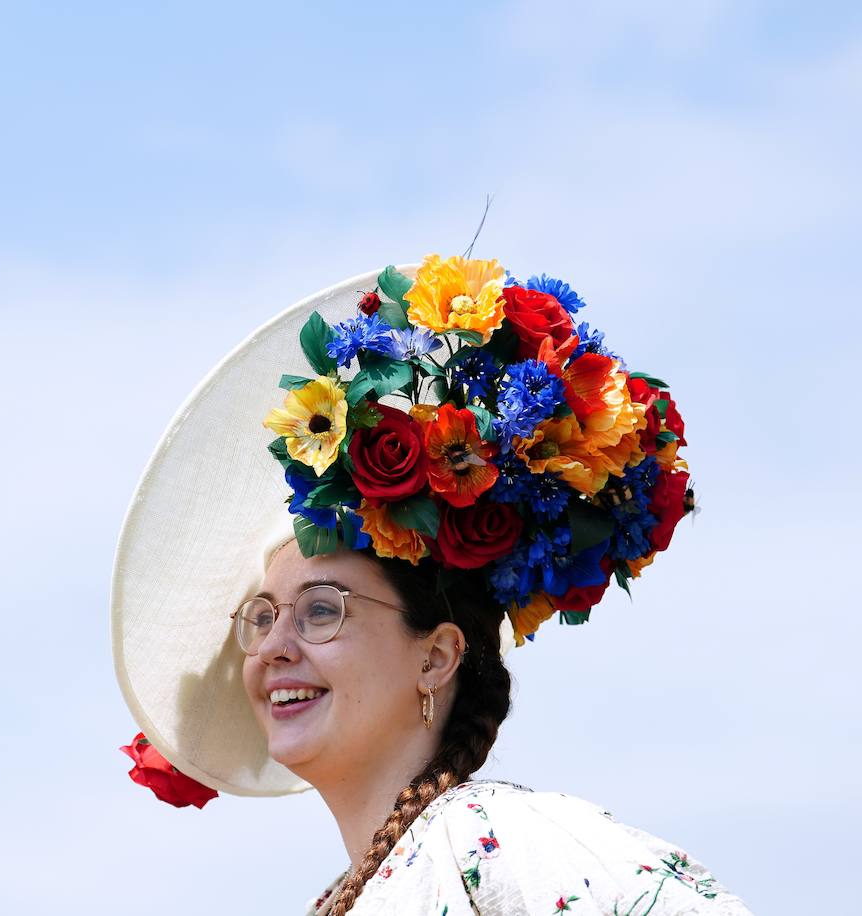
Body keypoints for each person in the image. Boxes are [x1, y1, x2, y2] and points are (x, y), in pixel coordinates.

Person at [112, 255, 752, 914]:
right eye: (263, 616)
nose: (274, 645)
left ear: (436, 655)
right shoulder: (347, 896)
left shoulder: (501, 844)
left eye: (321, 611)